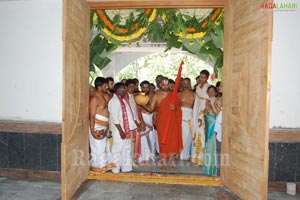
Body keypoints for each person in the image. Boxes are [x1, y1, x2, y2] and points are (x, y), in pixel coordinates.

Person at [138, 77, 182, 171]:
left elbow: (178, 107)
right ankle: (164, 163)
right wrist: (142, 104)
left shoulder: (173, 94)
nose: (166, 86)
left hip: (173, 122)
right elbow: (150, 108)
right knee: (163, 142)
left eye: (167, 84)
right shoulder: (156, 95)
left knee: (172, 141)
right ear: (159, 85)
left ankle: (170, 163)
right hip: (162, 122)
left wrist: (175, 108)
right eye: (163, 84)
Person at [108, 82, 140, 173]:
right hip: (119, 130)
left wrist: (135, 124)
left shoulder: (123, 100)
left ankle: (126, 168)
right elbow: (114, 118)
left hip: (127, 129)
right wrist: (121, 131)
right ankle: (115, 169)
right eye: (121, 89)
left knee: (127, 148)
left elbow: (130, 114)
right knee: (117, 149)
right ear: (116, 90)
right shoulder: (114, 101)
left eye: (124, 89)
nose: (123, 90)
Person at [89, 77, 115, 172]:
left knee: (105, 147)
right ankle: (98, 168)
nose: (107, 87)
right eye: (105, 85)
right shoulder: (94, 99)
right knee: (98, 148)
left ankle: (103, 167)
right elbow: (91, 115)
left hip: (104, 126)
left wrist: (108, 128)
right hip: (96, 126)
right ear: (99, 86)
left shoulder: (104, 96)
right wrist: (92, 130)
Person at [191, 70, 210, 165]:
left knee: (201, 134)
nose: (201, 79)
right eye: (200, 77)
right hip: (195, 112)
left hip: (201, 114)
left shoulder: (208, 87)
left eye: (204, 77)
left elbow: (206, 103)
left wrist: (201, 116)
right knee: (195, 133)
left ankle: (200, 158)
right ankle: (195, 156)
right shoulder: (198, 87)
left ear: (207, 78)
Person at [203, 85, 220, 176]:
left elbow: (218, 114)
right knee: (208, 147)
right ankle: (208, 167)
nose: (211, 93)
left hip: (214, 127)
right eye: (209, 91)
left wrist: (212, 105)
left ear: (216, 92)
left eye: (213, 91)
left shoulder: (217, 101)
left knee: (213, 147)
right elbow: (205, 114)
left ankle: (214, 168)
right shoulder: (207, 101)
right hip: (208, 126)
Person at [138, 80, 156, 164]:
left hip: (151, 117)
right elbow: (138, 110)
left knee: (152, 139)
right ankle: (143, 157)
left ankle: (151, 157)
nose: (145, 89)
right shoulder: (138, 96)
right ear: (140, 87)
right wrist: (141, 122)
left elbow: (155, 108)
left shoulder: (153, 95)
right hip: (142, 118)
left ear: (149, 87)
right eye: (143, 87)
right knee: (143, 139)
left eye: (147, 87)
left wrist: (154, 118)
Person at [178, 78, 195, 160]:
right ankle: (181, 155)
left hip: (191, 117)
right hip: (181, 118)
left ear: (190, 84)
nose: (186, 85)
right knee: (182, 137)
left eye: (187, 83)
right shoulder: (179, 95)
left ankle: (187, 155)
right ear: (182, 84)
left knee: (189, 137)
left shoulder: (195, 94)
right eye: (184, 83)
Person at [214, 81, 223, 175]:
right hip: (219, 124)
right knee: (219, 150)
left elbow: (220, 113)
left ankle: (222, 171)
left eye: (221, 86)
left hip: (223, 125)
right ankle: (219, 170)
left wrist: (213, 105)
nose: (219, 87)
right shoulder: (220, 98)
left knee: (222, 150)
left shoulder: (227, 99)